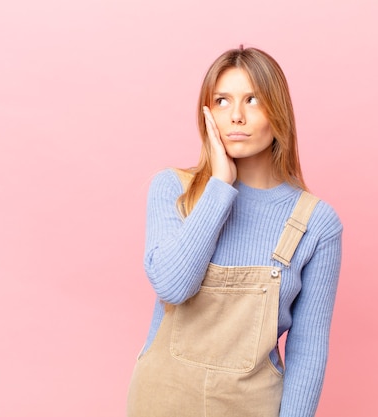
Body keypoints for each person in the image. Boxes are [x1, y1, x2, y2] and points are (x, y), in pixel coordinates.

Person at [127, 45, 342, 417]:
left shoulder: (316, 223)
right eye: (223, 101)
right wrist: (220, 185)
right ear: (206, 113)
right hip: (160, 401)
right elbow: (173, 286)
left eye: (253, 100)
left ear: (278, 113)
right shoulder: (172, 189)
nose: (236, 117)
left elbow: (308, 350)